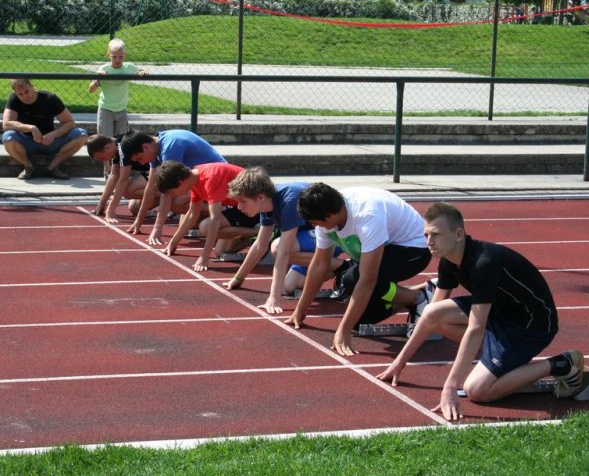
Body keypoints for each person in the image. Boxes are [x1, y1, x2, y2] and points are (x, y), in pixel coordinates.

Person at [377, 202, 585, 421]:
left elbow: (475, 329)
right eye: (426, 234)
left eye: (435, 235)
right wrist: (399, 362)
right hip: (500, 312)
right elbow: (430, 315)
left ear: (459, 234)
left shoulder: (484, 263)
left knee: (477, 390)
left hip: (530, 325)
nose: (428, 241)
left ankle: (562, 363)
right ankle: (498, 356)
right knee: (433, 313)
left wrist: (449, 387)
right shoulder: (449, 260)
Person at [286, 183, 433, 356]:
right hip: (385, 247)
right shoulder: (326, 219)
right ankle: (411, 296)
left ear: (329, 215)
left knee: (359, 282)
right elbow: (319, 265)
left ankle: (419, 298)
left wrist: (343, 331)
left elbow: (368, 279)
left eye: (314, 222)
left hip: (413, 249)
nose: (313, 226)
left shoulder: (367, 216)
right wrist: (300, 311)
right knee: (359, 315)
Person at [224, 167, 344, 313]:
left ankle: (345, 267)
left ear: (261, 197)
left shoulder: (289, 201)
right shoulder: (266, 205)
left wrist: (274, 298)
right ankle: (343, 269)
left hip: (335, 235)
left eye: (243, 201)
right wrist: (238, 278)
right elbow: (259, 246)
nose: (239, 207)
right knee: (290, 286)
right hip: (314, 235)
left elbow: (284, 253)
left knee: (277, 247)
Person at [119, 129, 226, 245]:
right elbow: (151, 186)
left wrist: (157, 229)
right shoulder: (156, 148)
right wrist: (138, 221)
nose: (141, 163)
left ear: (145, 147)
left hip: (218, 183)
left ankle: (224, 211)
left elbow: (167, 192)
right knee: (136, 205)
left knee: (175, 202)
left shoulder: (171, 147)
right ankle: (202, 216)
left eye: (139, 158)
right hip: (201, 183)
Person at [156, 161, 260, 272]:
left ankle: (264, 231)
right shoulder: (195, 178)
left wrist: (205, 257)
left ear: (179, 182)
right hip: (241, 206)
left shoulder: (210, 178)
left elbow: (215, 219)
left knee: (206, 226)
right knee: (221, 251)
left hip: (256, 207)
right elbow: (192, 214)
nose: (173, 196)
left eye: (172, 192)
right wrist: (173, 244)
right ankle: (259, 233)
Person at [1, 78, 87, 180]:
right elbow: (6, 124)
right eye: (20, 94)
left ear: (32, 86)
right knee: (8, 137)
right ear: (15, 93)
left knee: (81, 135)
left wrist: (54, 134)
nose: (25, 96)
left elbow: (70, 123)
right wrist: (31, 128)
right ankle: (28, 167)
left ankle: (52, 167)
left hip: (50, 141)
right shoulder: (14, 99)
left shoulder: (49, 98)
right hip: (26, 142)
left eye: (27, 91)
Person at [88, 38, 147, 151]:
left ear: (125, 55)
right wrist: (98, 79)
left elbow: (140, 70)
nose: (117, 60)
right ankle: (106, 167)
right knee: (105, 140)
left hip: (121, 109)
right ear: (108, 55)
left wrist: (141, 72)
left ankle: (119, 165)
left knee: (123, 140)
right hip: (106, 108)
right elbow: (91, 89)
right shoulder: (104, 69)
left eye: (121, 57)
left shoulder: (128, 67)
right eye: (114, 57)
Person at [86, 132, 148, 222]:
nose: (105, 160)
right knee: (134, 207)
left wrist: (111, 210)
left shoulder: (123, 146)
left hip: (163, 169)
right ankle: (168, 200)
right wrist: (101, 204)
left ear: (106, 148)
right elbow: (114, 175)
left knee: (127, 190)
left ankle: (170, 197)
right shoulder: (116, 145)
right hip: (153, 171)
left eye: (102, 158)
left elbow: (124, 178)